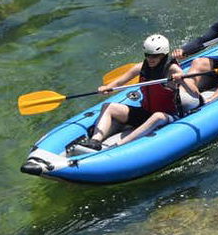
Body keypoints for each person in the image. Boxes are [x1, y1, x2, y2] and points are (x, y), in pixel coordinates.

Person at [70, 34, 202, 153]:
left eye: (155, 56)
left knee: (157, 116)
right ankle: (95, 141)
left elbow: (195, 93)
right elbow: (121, 81)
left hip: (168, 115)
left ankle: (118, 146)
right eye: (147, 55)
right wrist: (107, 87)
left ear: (163, 54)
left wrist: (182, 80)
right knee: (108, 106)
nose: (150, 58)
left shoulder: (172, 69)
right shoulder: (141, 66)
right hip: (145, 112)